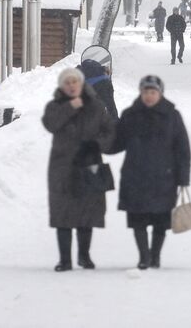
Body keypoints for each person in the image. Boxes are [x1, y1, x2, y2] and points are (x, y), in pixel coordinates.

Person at [105, 74, 191, 270]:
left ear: (160, 93)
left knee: (161, 221)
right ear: (141, 93)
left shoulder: (172, 116)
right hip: (135, 176)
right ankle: (144, 257)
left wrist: (183, 178)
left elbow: (183, 150)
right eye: (146, 92)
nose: (149, 96)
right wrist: (98, 144)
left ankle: (155, 256)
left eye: (153, 92)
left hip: (164, 177)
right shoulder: (130, 115)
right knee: (138, 219)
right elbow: (117, 142)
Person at [42, 67, 115, 271]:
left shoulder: (96, 106)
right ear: (62, 86)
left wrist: (98, 144)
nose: (72, 85)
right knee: (62, 213)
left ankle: (84, 256)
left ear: (82, 84)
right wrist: (70, 107)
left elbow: (110, 131)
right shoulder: (55, 106)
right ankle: (65, 259)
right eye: (67, 83)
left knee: (87, 212)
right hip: (62, 167)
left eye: (75, 82)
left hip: (89, 164)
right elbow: (50, 124)